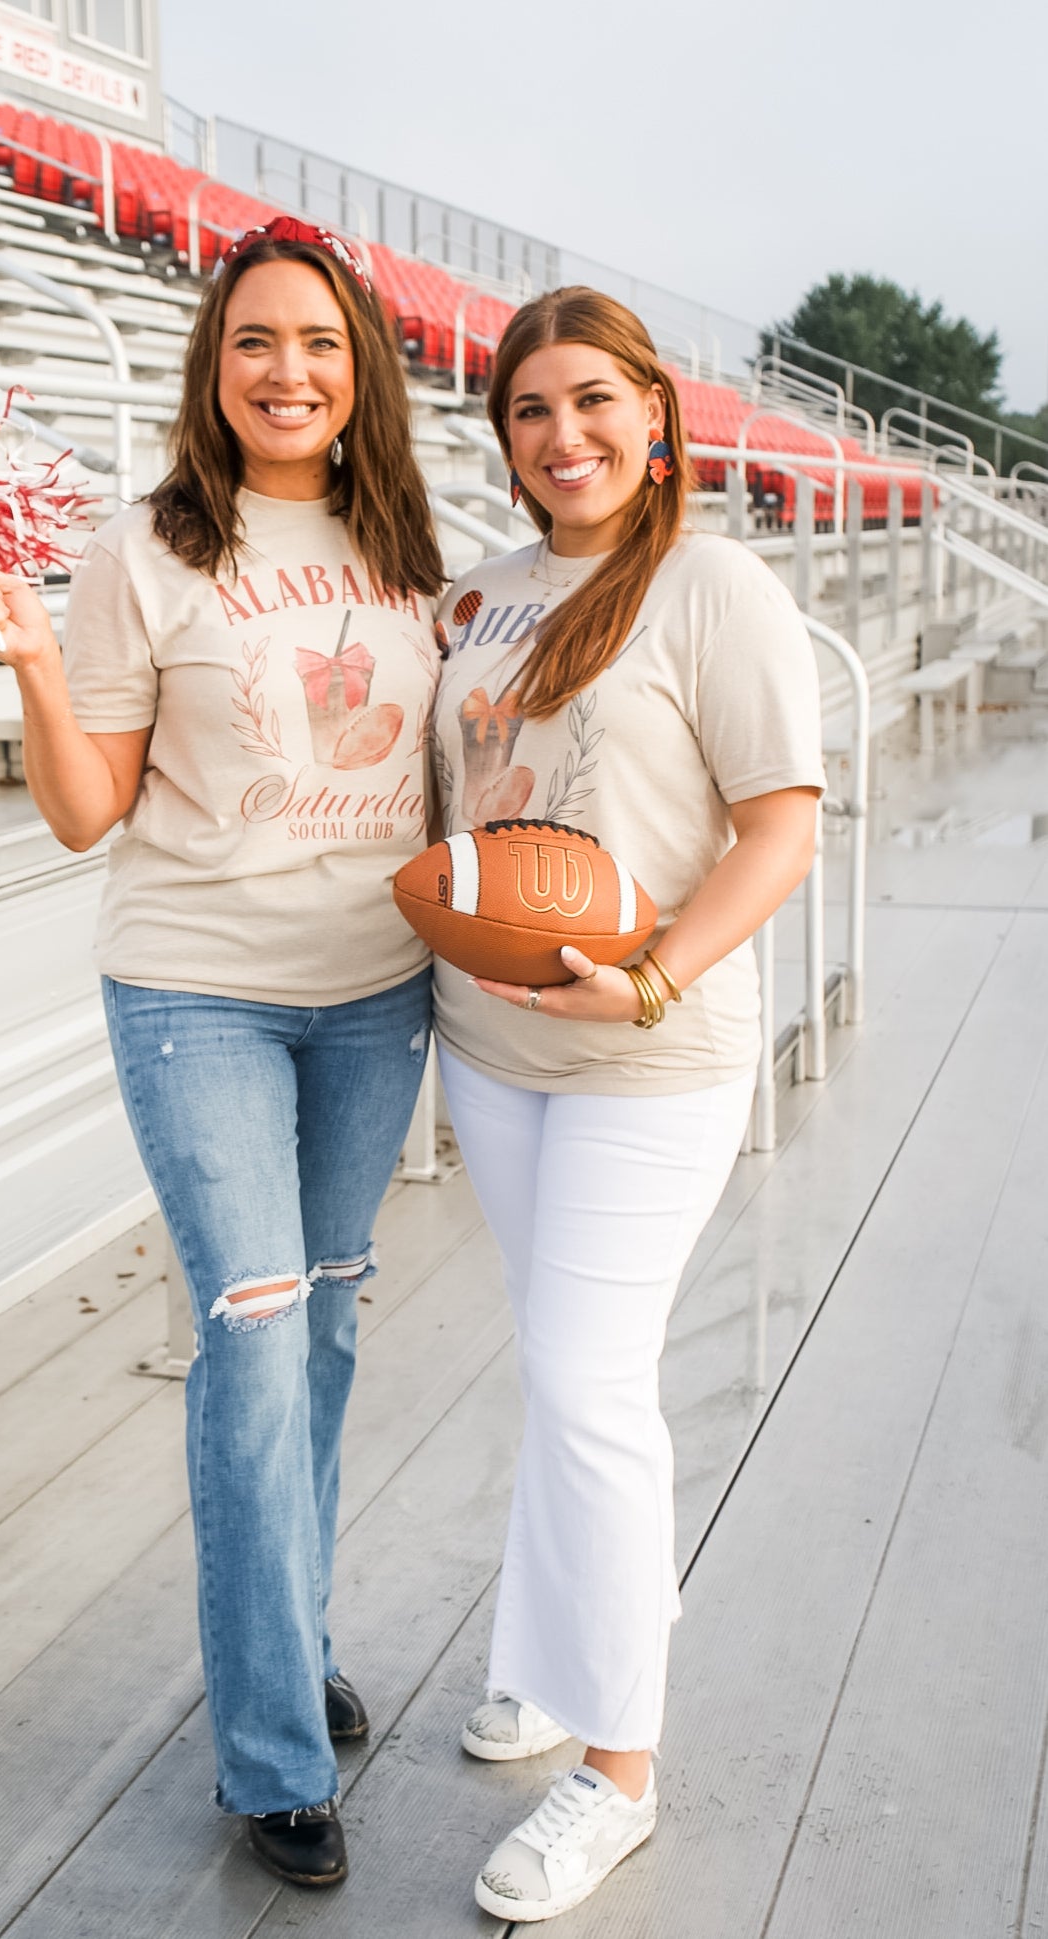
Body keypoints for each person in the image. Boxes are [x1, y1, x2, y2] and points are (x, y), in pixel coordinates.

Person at [0, 216, 445, 1890]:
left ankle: (282, 1644)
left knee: (322, 1336)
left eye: (318, 342)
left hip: (377, 995)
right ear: (211, 369)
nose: (288, 370)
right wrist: (26, 659)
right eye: (255, 343)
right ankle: (270, 1757)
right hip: (199, 991)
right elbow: (90, 814)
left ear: (359, 365)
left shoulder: (409, 539)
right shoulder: (146, 551)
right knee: (248, 1336)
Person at [429, 287, 825, 1923]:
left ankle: (618, 1770)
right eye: (531, 409)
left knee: (590, 1381)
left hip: (650, 1049)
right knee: (558, 1366)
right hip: (497, 1046)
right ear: (505, 436)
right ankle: (551, 1653)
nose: (565, 435)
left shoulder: (714, 583)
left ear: (656, 415)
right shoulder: (493, 597)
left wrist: (653, 973)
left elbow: (779, 826)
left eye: (596, 401)